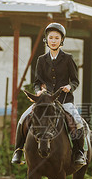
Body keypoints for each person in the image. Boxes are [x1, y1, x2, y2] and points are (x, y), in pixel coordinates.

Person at [11, 22, 87, 166]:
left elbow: (75, 81)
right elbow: (36, 82)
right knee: (23, 118)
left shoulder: (68, 58)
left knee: (77, 121)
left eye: (56, 38)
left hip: (64, 99)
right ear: (46, 39)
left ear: (61, 40)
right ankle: (18, 150)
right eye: (51, 37)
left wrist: (69, 87)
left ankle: (79, 152)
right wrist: (38, 90)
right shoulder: (41, 60)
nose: (53, 40)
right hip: (44, 101)